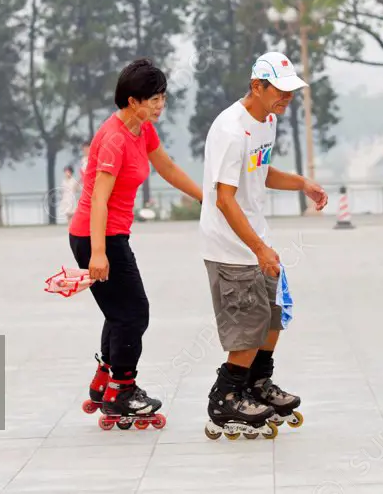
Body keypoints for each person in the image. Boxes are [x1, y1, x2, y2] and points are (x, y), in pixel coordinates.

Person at [200, 51, 328, 440]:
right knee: (247, 324)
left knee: (273, 316)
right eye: (281, 91)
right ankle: (225, 397)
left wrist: (302, 182)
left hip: (257, 240)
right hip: (230, 246)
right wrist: (257, 248)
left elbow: (261, 170)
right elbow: (224, 198)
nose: (287, 99)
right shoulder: (230, 129)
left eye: (292, 92)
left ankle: (256, 383)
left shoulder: (266, 122)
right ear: (257, 86)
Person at [70, 58, 202, 426]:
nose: (160, 105)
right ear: (132, 100)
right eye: (153, 99)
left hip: (108, 234)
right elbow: (99, 197)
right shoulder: (113, 138)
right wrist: (98, 252)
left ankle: (105, 383)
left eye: (162, 97)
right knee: (134, 313)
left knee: (120, 313)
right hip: (98, 236)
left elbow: (168, 168)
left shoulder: (141, 130)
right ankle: (121, 392)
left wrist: (207, 198)